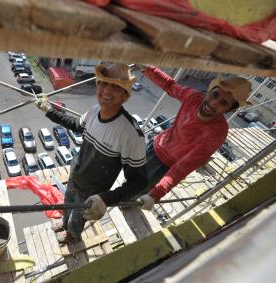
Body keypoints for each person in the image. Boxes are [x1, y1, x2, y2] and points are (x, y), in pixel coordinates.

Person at [35, 63, 148, 243]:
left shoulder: (131, 134)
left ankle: (72, 235)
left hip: (93, 191)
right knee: (67, 205)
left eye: (116, 87)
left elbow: (139, 181)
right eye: (103, 83)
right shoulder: (94, 112)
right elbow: (76, 125)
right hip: (76, 175)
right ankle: (65, 224)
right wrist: (49, 110)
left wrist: (105, 199)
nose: (106, 90)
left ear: (125, 95)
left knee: (77, 219)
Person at [136, 66, 252, 210]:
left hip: (164, 166)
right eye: (215, 95)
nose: (213, 104)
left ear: (229, 110)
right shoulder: (194, 97)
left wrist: (155, 194)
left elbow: (183, 167)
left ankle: (126, 205)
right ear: (208, 91)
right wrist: (147, 68)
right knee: (131, 175)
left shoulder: (217, 133)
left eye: (224, 103)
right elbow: (170, 85)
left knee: (135, 193)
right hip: (155, 144)